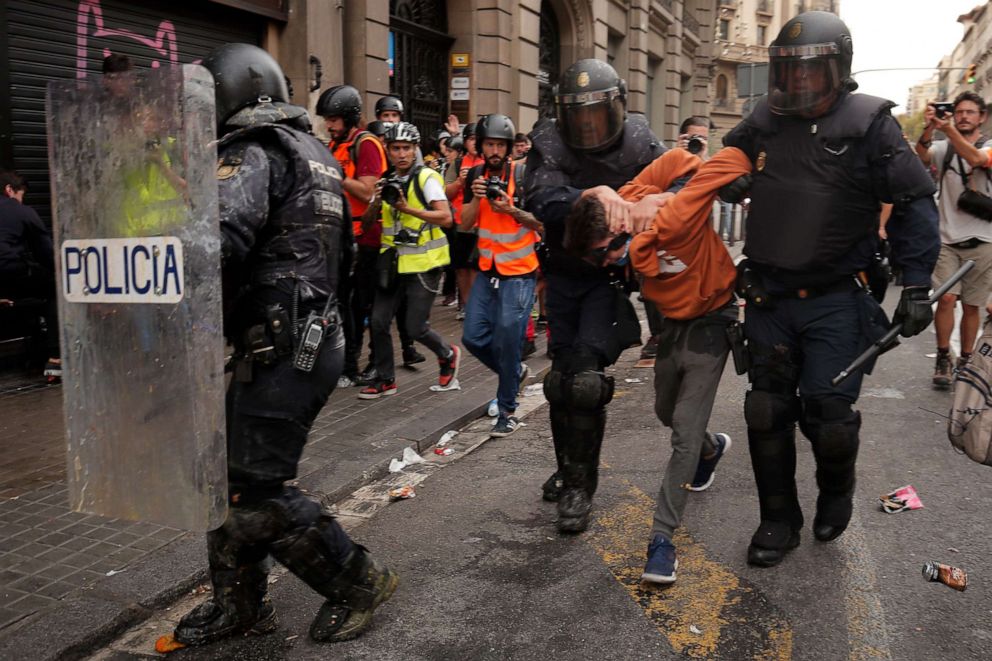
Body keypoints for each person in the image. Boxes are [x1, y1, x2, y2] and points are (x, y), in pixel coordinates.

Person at [173, 44, 397, 647]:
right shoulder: (315, 152)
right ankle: (238, 605)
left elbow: (215, 241)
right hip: (300, 337)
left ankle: (358, 580)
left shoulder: (253, 151)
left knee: (251, 491)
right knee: (230, 480)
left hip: (284, 344)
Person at [721, 11, 939, 567]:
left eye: (810, 72)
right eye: (789, 72)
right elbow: (724, 163)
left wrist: (917, 283)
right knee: (766, 411)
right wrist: (732, 176)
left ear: (838, 71)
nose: (798, 83)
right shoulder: (763, 118)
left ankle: (836, 490)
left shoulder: (872, 124)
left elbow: (914, 204)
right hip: (769, 295)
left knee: (829, 416)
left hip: (836, 297)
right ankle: (777, 519)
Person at [525, 58, 667, 533]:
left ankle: (579, 489)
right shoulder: (547, 141)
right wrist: (592, 195)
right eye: (577, 116)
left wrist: (654, 200)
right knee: (560, 381)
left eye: (597, 114)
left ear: (618, 109)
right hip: (565, 274)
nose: (587, 126)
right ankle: (569, 465)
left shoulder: (642, 140)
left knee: (585, 383)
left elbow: (687, 180)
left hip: (607, 277)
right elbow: (539, 199)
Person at [618, 146, 742, 584]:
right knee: (665, 414)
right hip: (672, 326)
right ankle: (712, 448)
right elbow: (633, 190)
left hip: (713, 321)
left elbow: (729, 161)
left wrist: (696, 183)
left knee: (684, 433)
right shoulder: (637, 219)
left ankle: (661, 540)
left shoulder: (683, 206)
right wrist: (644, 202)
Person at [358, 121, 459, 399]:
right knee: (378, 322)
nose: (401, 154)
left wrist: (405, 207)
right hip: (392, 265)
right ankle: (385, 378)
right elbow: (366, 225)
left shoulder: (426, 178)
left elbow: (446, 217)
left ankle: (447, 354)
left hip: (424, 264)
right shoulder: (385, 181)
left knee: (415, 328)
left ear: (415, 149)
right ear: (387, 151)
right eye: (395, 149)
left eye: (406, 148)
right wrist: (377, 202)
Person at [460, 113, 543, 436]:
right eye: (489, 144)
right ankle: (515, 372)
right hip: (487, 271)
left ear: (509, 148)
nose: (494, 150)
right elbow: (465, 223)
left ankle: (506, 410)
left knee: (509, 337)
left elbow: (541, 222)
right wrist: (476, 197)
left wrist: (510, 209)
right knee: (472, 336)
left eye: (500, 145)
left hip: (520, 274)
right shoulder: (476, 176)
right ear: (480, 146)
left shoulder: (524, 176)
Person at [316, 85, 393, 387]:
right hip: (342, 235)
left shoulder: (367, 144)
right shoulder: (337, 145)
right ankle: (344, 363)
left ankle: (356, 366)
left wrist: (338, 175)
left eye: (333, 119)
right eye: (327, 119)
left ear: (348, 118)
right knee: (343, 303)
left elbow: (367, 189)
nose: (328, 125)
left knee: (361, 305)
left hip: (368, 238)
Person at [915, 91, 992, 387]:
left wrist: (946, 130)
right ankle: (943, 355)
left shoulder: (988, 146)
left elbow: (975, 158)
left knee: (972, 306)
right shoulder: (943, 147)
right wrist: (929, 126)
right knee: (946, 299)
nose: (963, 117)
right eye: (959, 112)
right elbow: (921, 155)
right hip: (947, 240)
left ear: (981, 117)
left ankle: (966, 358)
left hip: (984, 241)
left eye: (970, 112)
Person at [638, 115, 713, 364]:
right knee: (652, 286)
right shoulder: (666, 161)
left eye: (702, 138)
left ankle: (684, 334)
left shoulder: (709, 167)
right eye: (692, 138)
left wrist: (699, 159)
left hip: (693, 242)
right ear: (681, 138)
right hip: (661, 236)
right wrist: (677, 155)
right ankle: (660, 335)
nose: (697, 142)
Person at [0, 170, 61, 381]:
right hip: (9, 271)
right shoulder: (22, 211)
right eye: (21, 194)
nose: (21, 199)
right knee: (54, 288)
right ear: (10, 190)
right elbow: (45, 254)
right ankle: (55, 359)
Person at [445, 121, 484, 319]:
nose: (475, 143)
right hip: (461, 224)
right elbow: (446, 193)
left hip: (483, 224)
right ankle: (466, 305)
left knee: (477, 268)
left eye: (478, 139)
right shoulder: (458, 164)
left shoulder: (488, 162)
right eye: (471, 139)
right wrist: (460, 181)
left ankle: (477, 307)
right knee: (461, 268)